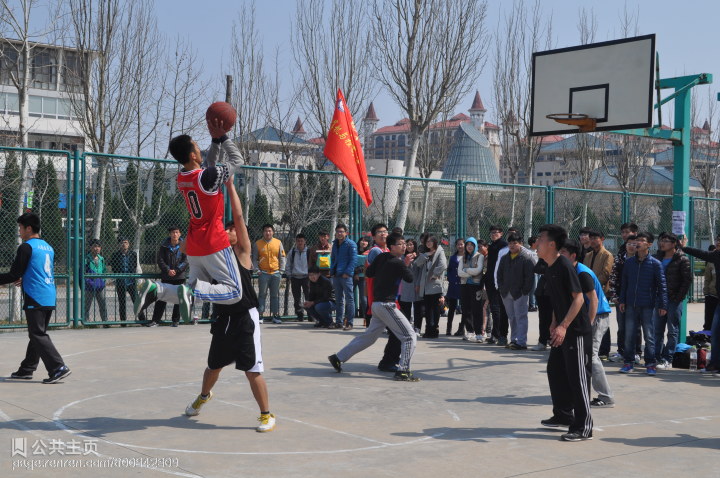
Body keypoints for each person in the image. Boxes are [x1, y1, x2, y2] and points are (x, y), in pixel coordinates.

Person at [185, 177, 275, 432]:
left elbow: (238, 215)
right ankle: (204, 396)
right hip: (224, 317)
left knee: (252, 370)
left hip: (245, 316)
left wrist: (230, 186)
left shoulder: (243, 253)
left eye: (233, 229)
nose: (230, 231)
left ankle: (266, 414)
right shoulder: (214, 259)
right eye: (227, 229)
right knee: (213, 366)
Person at [137, 125, 245, 322]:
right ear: (193, 155)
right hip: (213, 241)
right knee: (235, 291)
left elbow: (210, 165)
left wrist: (215, 140)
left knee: (188, 291)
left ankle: (157, 290)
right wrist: (223, 137)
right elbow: (238, 160)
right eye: (196, 146)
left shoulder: (183, 177)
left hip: (195, 244)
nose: (200, 149)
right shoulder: (207, 177)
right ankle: (191, 293)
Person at [328, 233, 420, 382]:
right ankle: (403, 371)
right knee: (410, 336)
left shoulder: (382, 257)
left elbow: (370, 272)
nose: (404, 246)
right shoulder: (397, 262)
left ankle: (338, 358)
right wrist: (406, 263)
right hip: (386, 305)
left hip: (377, 305)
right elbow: (409, 278)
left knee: (369, 337)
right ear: (392, 247)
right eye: (400, 244)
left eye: (404, 243)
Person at [535, 224, 593, 442]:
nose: (536, 243)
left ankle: (584, 427)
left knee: (578, 378)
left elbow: (578, 299)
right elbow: (557, 300)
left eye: (540, 239)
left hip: (576, 331)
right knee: (555, 370)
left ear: (552, 244)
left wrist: (564, 325)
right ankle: (563, 414)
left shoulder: (564, 266)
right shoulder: (549, 267)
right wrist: (554, 322)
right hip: (562, 329)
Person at [6, 213, 71, 384]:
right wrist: (25, 278)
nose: (19, 231)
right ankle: (26, 370)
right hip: (49, 295)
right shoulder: (48, 247)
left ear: (28, 228)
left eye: (20, 228)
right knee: (36, 334)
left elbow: (14, 274)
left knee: (37, 334)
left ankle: (58, 367)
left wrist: (19, 277)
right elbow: (39, 270)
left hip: (36, 295)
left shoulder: (26, 247)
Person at [560, 240, 615, 408]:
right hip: (587, 317)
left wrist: (588, 324)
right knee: (581, 355)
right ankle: (579, 391)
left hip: (598, 316)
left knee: (591, 355)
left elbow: (594, 300)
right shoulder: (570, 270)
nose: (559, 256)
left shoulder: (582, 273)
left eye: (563, 253)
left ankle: (606, 397)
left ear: (573, 256)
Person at [618, 232, 667, 375]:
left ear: (649, 244)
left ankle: (650, 364)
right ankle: (628, 362)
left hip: (648, 305)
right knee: (629, 335)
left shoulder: (655, 264)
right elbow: (624, 283)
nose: (637, 243)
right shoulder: (629, 263)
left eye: (641, 240)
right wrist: (622, 300)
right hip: (631, 305)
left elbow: (662, 286)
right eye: (636, 240)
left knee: (649, 336)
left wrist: (663, 305)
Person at [680, 235, 720, 373]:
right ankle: (715, 364)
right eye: (718, 240)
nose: (718, 242)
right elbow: (701, 253)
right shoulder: (716, 255)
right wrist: (684, 247)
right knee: (715, 332)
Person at [365, 224, 403, 372]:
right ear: (373, 236)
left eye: (385, 231)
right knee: (399, 331)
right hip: (383, 299)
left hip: (386, 298)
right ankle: (388, 361)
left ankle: (339, 357)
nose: (383, 234)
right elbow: (383, 272)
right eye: (379, 232)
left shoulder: (387, 251)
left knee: (370, 336)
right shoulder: (376, 251)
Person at [653, 232, 691, 370]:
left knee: (672, 330)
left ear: (674, 243)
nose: (662, 243)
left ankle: (667, 358)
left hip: (674, 300)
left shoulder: (682, 259)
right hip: (659, 299)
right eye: (661, 240)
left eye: (666, 241)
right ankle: (656, 357)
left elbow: (687, 281)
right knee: (657, 330)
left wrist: (677, 298)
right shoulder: (657, 258)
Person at [497, 233, 536, 350]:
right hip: (506, 293)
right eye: (510, 243)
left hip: (520, 293)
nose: (512, 245)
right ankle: (514, 339)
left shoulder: (526, 258)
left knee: (521, 317)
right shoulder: (505, 258)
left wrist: (524, 291)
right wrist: (501, 288)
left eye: (515, 243)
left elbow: (530, 278)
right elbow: (499, 275)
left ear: (521, 244)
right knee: (512, 317)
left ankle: (521, 342)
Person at [608, 223, 639, 362]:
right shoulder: (620, 255)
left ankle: (636, 352)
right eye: (623, 232)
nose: (624, 235)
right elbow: (613, 277)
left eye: (627, 232)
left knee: (636, 327)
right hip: (621, 297)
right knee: (622, 327)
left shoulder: (642, 256)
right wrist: (614, 295)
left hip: (637, 298)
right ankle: (621, 351)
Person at [583, 230, 614, 359]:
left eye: (595, 238)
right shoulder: (588, 255)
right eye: (591, 238)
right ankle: (590, 348)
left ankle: (604, 351)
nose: (593, 240)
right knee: (590, 319)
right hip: (587, 292)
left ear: (602, 239)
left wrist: (592, 286)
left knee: (601, 321)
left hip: (601, 292)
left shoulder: (607, 255)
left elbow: (606, 274)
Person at [150, 227, 188, 327]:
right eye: (172, 232)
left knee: (179, 299)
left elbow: (185, 261)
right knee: (161, 298)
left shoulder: (184, 245)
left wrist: (177, 270)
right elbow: (160, 260)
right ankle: (156, 321)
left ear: (180, 234)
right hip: (167, 276)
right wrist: (168, 270)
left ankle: (175, 321)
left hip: (179, 277)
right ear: (170, 234)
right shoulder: (164, 246)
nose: (174, 234)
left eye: (176, 232)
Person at [414, 235, 447, 339]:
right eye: (427, 241)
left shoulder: (440, 251)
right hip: (425, 285)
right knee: (428, 309)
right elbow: (417, 263)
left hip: (434, 284)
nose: (428, 243)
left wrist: (434, 274)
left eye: (430, 241)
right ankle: (428, 329)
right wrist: (426, 255)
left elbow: (443, 265)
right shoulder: (425, 252)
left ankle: (434, 329)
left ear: (435, 242)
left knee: (435, 308)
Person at [253, 224, 286, 324]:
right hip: (263, 273)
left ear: (273, 232)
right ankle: (260, 315)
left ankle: (275, 315)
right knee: (262, 295)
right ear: (263, 232)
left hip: (276, 273)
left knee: (275, 295)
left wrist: (281, 271)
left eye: (270, 231)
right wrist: (257, 270)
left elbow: (282, 257)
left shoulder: (278, 243)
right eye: (266, 231)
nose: (268, 233)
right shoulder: (258, 244)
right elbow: (254, 259)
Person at [109, 237, 143, 326]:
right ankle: (123, 322)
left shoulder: (133, 254)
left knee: (136, 301)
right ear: (119, 244)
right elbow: (114, 267)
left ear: (129, 244)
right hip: (120, 282)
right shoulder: (115, 255)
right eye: (122, 242)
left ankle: (142, 320)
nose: (124, 244)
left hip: (131, 282)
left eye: (126, 242)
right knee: (122, 303)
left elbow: (134, 266)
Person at [330, 224, 357, 330]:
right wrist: (332, 271)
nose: (339, 233)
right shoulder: (335, 244)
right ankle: (339, 322)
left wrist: (348, 272)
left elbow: (353, 260)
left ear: (346, 233)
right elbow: (333, 258)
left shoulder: (351, 244)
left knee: (349, 299)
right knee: (339, 300)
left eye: (341, 231)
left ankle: (349, 323)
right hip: (336, 275)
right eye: (338, 232)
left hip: (346, 276)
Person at [457, 237, 484, 342]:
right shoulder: (463, 257)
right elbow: (459, 272)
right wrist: (470, 273)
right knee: (466, 309)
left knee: (477, 309)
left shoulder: (479, 256)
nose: (469, 247)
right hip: (464, 285)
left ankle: (479, 333)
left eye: (471, 245)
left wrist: (466, 270)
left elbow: (478, 270)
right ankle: (470, 331)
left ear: (475, 246)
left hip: (476, 285)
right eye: (467, 245)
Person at [484, 225, 508, 344]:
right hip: (490, 279)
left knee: (498, 308)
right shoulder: (492, 245)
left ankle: (499, 334)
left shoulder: (503, 246)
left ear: (501, 233)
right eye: (491, 232)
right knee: (494, 308)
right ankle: (495, 333)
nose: (493, 234)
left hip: (498, 281)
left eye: (496, 232)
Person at [399, 239, 423, 335]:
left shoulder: (419, 257)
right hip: (406, 284)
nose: (409, 247)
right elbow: (402, 269)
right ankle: (406, 328)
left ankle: (417, 328)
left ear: (415, 246)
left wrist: (418, 284)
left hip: (417, 284)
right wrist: (407, 261)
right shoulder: (402, 257)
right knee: (406, 307)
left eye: (411, 244)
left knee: (418, 307)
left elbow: (421, 272)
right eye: (407, 245)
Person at [286, 233, 310, 321]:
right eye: (298, 241)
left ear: (305, 241)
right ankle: (300, 316)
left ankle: (311, 315)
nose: (300, 243)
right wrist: (289, 275)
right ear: (296, 241)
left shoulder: (309, 251)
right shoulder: (292, 252)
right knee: (297, 299)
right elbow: (288, 264)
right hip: (295, 277)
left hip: (306, 277)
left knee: (309, 297)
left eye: (301, 241)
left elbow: (312, 264)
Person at [85, 239, 108, 326]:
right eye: (95, 246)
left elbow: (104, 270)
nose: (97, 248)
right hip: (89, 286)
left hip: (100, 286)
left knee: (103, 305)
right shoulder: (86, 259)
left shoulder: (101, 259)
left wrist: (103, 281)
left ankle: (105, 322)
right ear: (90, 247)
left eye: (98, 246)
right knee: (86, 306)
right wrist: (88, 281)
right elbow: (83, 271)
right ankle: (86, 322)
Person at [445, 238, 464, 336]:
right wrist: (450, 279)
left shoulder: (467, 257)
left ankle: (462, 328)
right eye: (458, 244)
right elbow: (449, 270)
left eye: (461, 244)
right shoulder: (453, 258)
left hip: (463, 285)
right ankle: (448, 328)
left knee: (464, 308)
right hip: (453, 285)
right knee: (451, 307)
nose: (460, 246)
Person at [354, 235, 372, 322]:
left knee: (363, 297)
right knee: (350, 297)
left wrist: (359, 271)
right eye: (362, 240)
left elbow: (369, 265)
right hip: (353, 276)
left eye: (365, 241)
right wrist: (355, 273)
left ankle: (366, 316)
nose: (363, 242)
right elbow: (351, 262)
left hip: (364, 277)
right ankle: (350, 315)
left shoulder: (370, 252)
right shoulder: (354, 250)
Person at [703, 243, 718, 331]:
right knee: (710, 318)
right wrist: (706, 293)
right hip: (712, 294)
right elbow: (707, 279)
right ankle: (708, 332)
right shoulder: (711, 262)